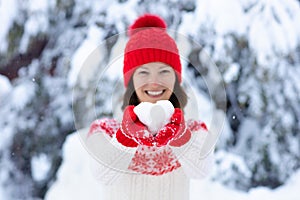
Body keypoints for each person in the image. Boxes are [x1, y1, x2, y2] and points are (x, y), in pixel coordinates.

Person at [85, 14, 215, 200]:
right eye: (143, 72)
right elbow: (102, 173)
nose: (154, 82)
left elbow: (202, 170)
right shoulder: (106, 131)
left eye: (164, 71)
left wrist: (180, 137)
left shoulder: (193, 130)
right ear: (131, 81)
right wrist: (126, 137)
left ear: (176, 79)